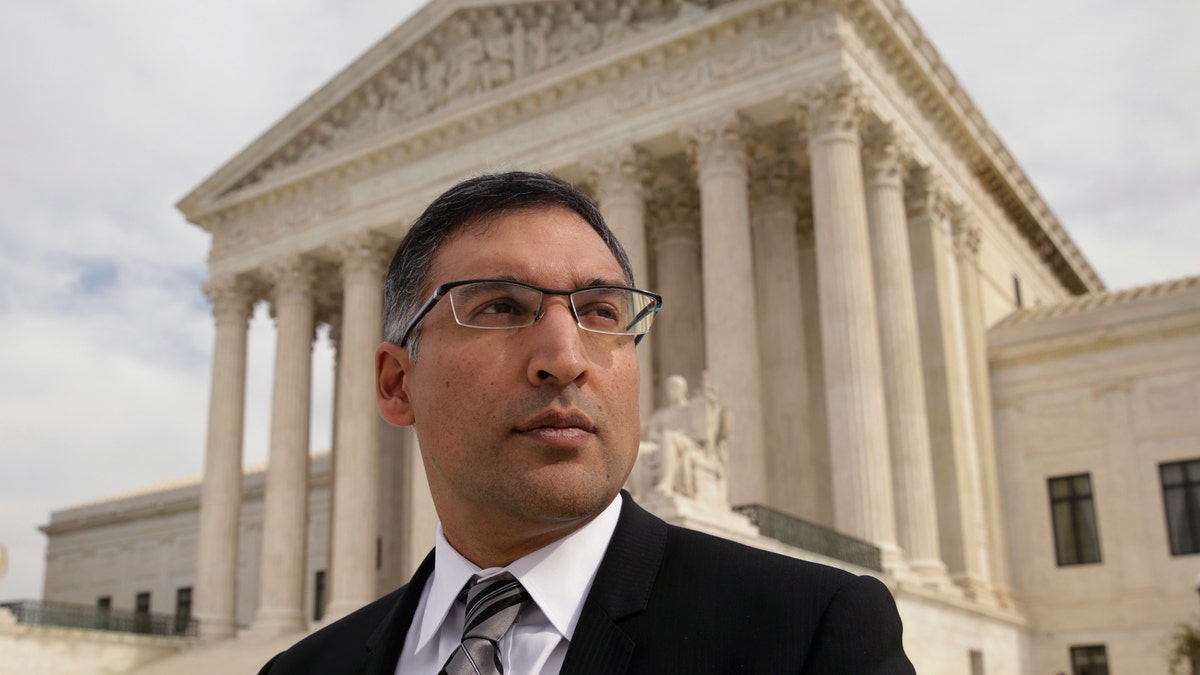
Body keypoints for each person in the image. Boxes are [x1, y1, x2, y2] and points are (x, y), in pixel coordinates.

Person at [258, 171, 915, 674]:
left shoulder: (809, 638)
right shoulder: (302, 669)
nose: (566, 360)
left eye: (601, 310)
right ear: (397, 384)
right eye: (499, 306)